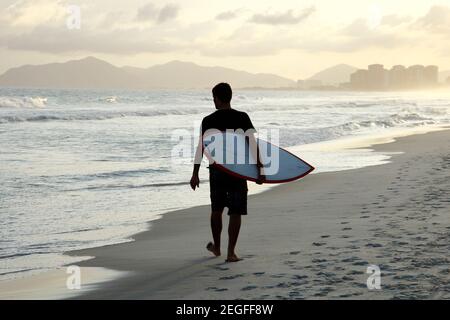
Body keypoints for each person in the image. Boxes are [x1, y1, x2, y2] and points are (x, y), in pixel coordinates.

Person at [190, 83, 264, 262]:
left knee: (217, 209)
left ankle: (217, 247)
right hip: (238, 170)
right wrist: (259, 169)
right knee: (235, 211)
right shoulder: (242, 117)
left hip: (217, 170)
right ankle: (231, 252)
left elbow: (202, 147)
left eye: (213, 98)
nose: (213, 101)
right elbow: (252, 145)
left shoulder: (208, 120)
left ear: (218, 98)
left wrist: (195, 173)